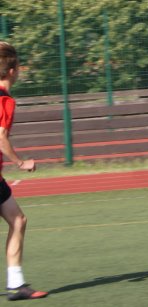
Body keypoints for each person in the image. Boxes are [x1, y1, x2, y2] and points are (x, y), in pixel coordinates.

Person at [0, 42, 47, 301]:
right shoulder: (5, 101)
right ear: (12, 71)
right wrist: (20, 163)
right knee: (17, 220)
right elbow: (0, 137)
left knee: (18, 220)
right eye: (18, 67)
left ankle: (16, 285)